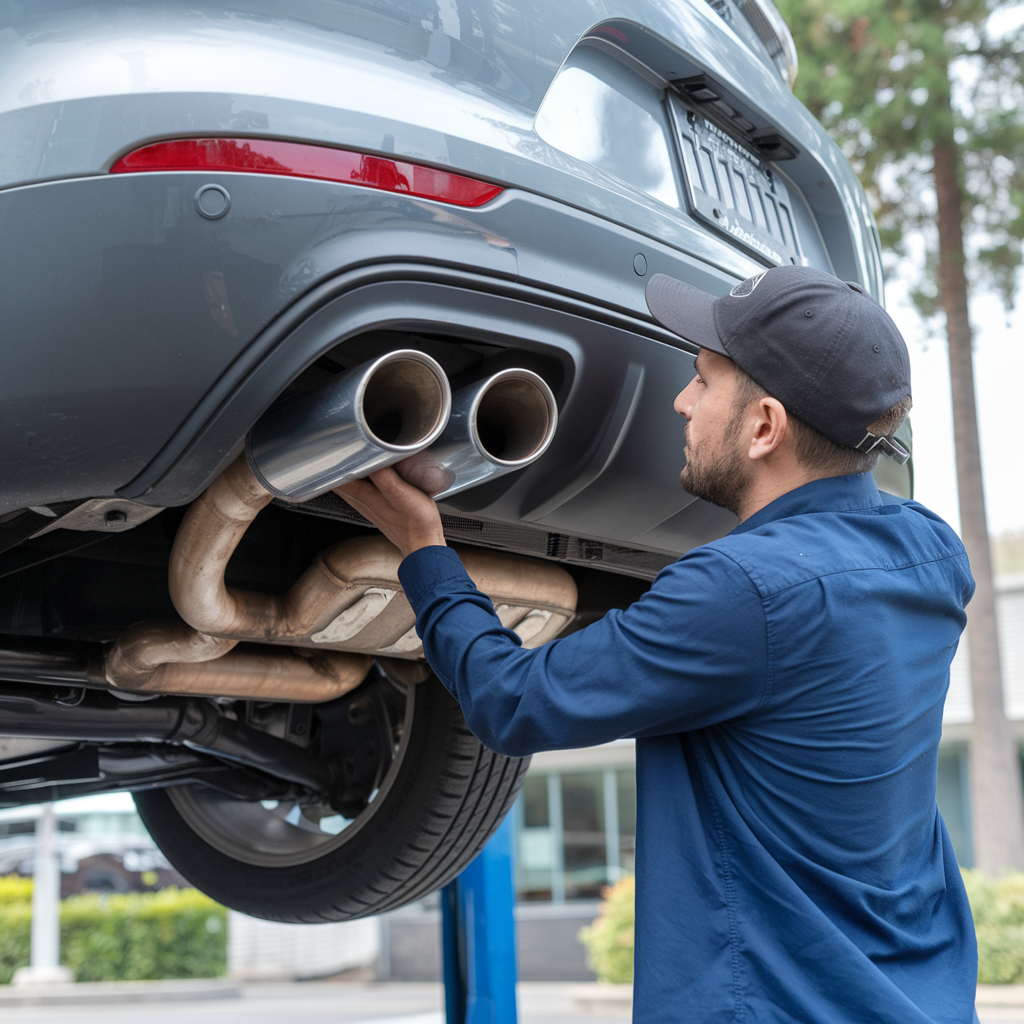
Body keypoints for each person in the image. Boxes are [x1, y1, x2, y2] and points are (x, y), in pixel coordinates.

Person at [338, 265, 978, 1024]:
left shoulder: (743, 591)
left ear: (764, 425)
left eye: (704, 381)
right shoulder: (933, 553)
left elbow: (514, 703)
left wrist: (423, 548)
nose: (683, 400)